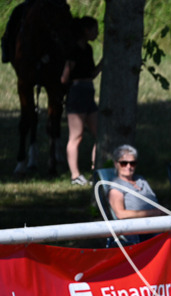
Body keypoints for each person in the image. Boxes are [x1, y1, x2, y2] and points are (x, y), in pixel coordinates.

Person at [61, 15, 101, 186]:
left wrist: (103, 63)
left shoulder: (89, 50)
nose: (97, 33)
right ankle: (75, 175)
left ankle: (95, 171)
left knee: (99, 134)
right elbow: (64, 78)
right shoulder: (73, 51)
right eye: (94, 30)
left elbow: (91, 73)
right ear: (86, 31)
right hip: (77, 93)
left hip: (88, 91)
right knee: (76, 136)